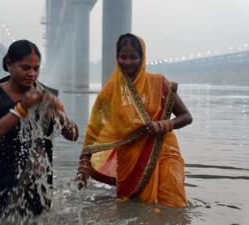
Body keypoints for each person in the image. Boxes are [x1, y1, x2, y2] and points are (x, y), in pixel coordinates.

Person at [75, 33, 192, 208]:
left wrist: (162, 125)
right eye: (123, 57)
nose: (127, 62)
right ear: (117, 57)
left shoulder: (159, 83)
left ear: (142, 58)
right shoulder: (111, 91)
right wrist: (84, 164)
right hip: (129, 159)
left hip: (164, 153)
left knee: (173, 209)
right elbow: (94, 130)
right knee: (131, 206)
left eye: (133, 57)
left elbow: (186, 116)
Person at [0, 40, 79, 217]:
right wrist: (21, 109)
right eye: (25, 68)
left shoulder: (44, 94)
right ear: (9, 64)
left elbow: (73, 135)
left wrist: (59, 113)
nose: (32, 74)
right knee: (1, 218)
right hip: (1, 180)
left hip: (39, 181)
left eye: (36, 69)